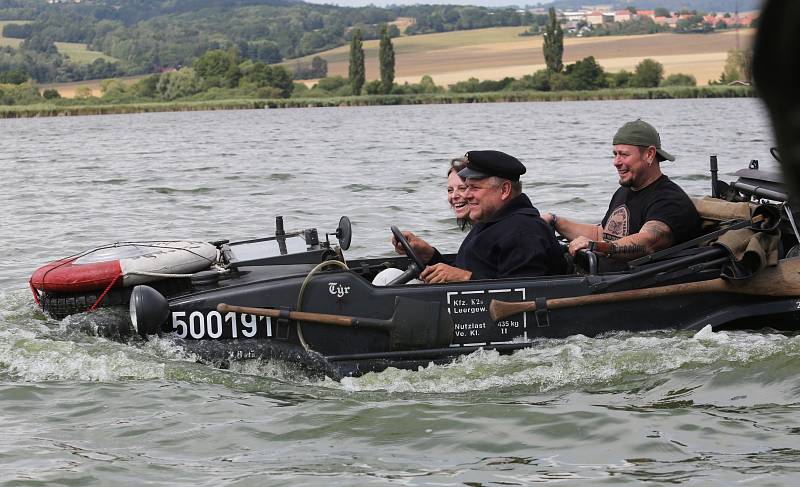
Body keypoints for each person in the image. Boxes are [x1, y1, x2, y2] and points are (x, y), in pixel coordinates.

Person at [394, 150, 566, 283]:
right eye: (466, 187)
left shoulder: (523, 231)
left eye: (474, 188)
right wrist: (429, 255)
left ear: (504, 190)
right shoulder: (493, 222)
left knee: (386, 279)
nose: (466, 195)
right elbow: (469, 270)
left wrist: (465, 278)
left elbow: (521, 294)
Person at [542, 120, 702, 260]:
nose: (616, 162)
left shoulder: (669, 199)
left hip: (636, 285)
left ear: (649, 154)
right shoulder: (625, 191)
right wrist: (555, 221)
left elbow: (648, 242)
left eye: (623, 155)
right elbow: (602, 234)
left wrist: (596, 247)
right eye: (615, 154)